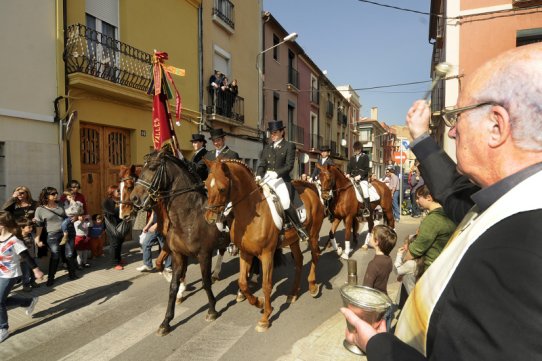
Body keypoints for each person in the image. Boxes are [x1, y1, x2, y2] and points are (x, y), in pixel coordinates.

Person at [341, 43, 542, 360]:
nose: (451, 132)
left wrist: (378, 346)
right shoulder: (500, 199)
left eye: (457, 117)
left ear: (496, 126)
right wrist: (420, 138)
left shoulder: (522, 251)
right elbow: (453, 192)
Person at [255, 120, 309, 242]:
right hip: (266, 178)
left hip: (282, 179)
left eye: (274, 133)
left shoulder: (289, 146)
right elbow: (262, 163)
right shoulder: (267, 147)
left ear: (282, 132)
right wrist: (259, 174)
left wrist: (277, 173)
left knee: (284, 202)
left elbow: (289, 165)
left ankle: (299, 228)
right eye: (271, 133)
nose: (272, 135)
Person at [0, 211, 44, 343]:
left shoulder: (14, 240)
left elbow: (26, 256)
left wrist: (36, 270)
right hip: (1, 272)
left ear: (2, 224)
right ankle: (28, 302)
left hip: (10, 274)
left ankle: (3, 329)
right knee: (1, 300)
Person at [402, 185, 455, 271]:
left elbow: (416, 249)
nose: (416, 200)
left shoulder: (433, 219)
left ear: (429, 198)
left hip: (430, 268)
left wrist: (402, 265)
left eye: (418, 198)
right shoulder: (448, 213)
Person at [34, 187, 79, 286]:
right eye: (53, 194)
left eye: (56, 193)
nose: (56, 195)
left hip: (68, 231)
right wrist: (37, 238)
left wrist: (75, 217)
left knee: (70, 254)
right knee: (55, 255)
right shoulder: (40, 209)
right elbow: (39, 225)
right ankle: (51, 278)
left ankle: (72, 274)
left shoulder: (62, 204)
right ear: (46, 196)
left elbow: (73, 212)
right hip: (53, 234)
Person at [362, 224, 397, 296]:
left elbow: (366, 289)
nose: (370, 236)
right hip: (383, 297)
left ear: (376, 242)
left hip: (374, 301)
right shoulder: (389, 259)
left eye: (371, 235)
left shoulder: (373, 265)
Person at [393, 234, 424, 309]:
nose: (403, 245)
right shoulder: (419, 260)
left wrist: (399, 254)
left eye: (406, 243)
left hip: (408, 294)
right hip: (411, 292)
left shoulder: (411, 263)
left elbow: (397, 270)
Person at [102, 185, 128, 270]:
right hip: (111, 226)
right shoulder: (107, 201)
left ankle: (119, 259)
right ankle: (114, 262)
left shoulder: (121, 201)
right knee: (114, 244)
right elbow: (112, 212)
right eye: (118, 191)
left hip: (120, 225)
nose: (120, 193)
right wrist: (121, 206)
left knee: (120, 242)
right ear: (112, 192)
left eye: (120, 191)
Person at [346, 141, 371, 218]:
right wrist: (348, 173)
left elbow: (367, 169)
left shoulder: (365, 157)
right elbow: (349, 167)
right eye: (355, 149)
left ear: (360, 149)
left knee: (365, 191)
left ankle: (367, 209)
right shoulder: (352, 158)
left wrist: (360, 176)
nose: (356, 151)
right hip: (353, 178)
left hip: (362, 179)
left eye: (357, 149)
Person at [17, 219, 41, 292]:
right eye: (29, 227)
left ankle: (33, 282)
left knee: (33, 271)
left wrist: (38, 243)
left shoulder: (32, 234)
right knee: (26, 273)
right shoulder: (18, 238)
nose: (31, 229)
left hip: (33, 256)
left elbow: (38, 227)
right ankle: (26, 285)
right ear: (22, 228)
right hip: (24, 259)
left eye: (31, 227)